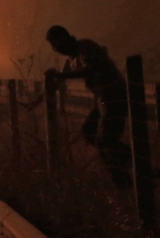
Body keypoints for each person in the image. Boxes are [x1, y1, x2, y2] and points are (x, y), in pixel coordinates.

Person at [44, 25, 133, 188]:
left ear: (62, 40)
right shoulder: (71, 59)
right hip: (103, 99)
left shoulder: (85, 47)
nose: (55, 50)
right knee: (89, 132)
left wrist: (60, 74)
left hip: (114, 95)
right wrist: (35, 102)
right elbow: (57, 83)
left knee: (104, 141)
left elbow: (90, 69)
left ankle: (125, 178)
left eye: (54, 45)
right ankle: (126, 160)